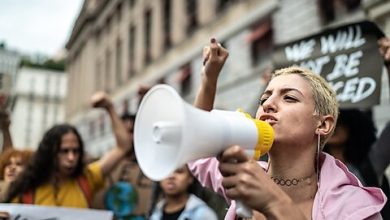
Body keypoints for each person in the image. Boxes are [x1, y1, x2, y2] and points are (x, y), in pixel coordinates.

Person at [188, 38, 386, 219]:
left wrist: (273, 202)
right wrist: (208, 78)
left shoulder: (354, 207)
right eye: (264, 99)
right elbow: (197, 147)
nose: (267, 105)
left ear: (323, 124)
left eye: (289, 97)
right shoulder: (246, 175)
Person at [4, 91, 132, 208]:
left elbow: (123, 147)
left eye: (75, 151)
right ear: (49, 152)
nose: (71, 158)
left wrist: (109, 108)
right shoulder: (27, 188)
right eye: (64, 151)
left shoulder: (87, 178)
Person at [149, 165, 218, 220]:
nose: (171, 176)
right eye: (166, 171)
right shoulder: (155, 213)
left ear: (190, 178)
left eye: (179, 171)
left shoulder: (203, 214)